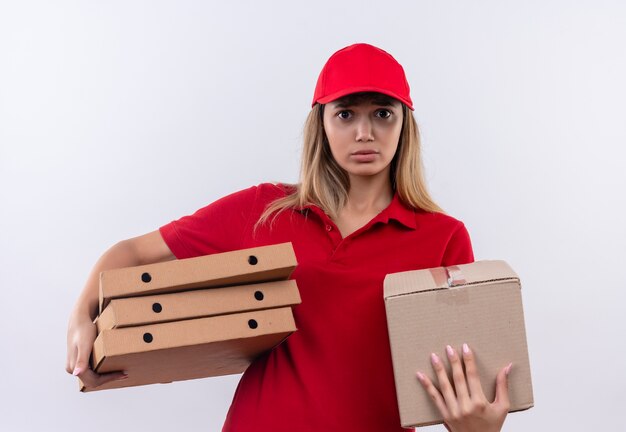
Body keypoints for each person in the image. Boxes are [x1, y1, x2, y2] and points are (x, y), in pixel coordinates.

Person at [66, 43, 512, 431]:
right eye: (345, 114)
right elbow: (134, 252)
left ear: (404, 124)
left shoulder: (443, 238)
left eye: (382, 113)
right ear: (321, 124)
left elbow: (465, 383)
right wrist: (81, 320)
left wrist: (479, 429)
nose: (364, 132)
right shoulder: (265, 211)